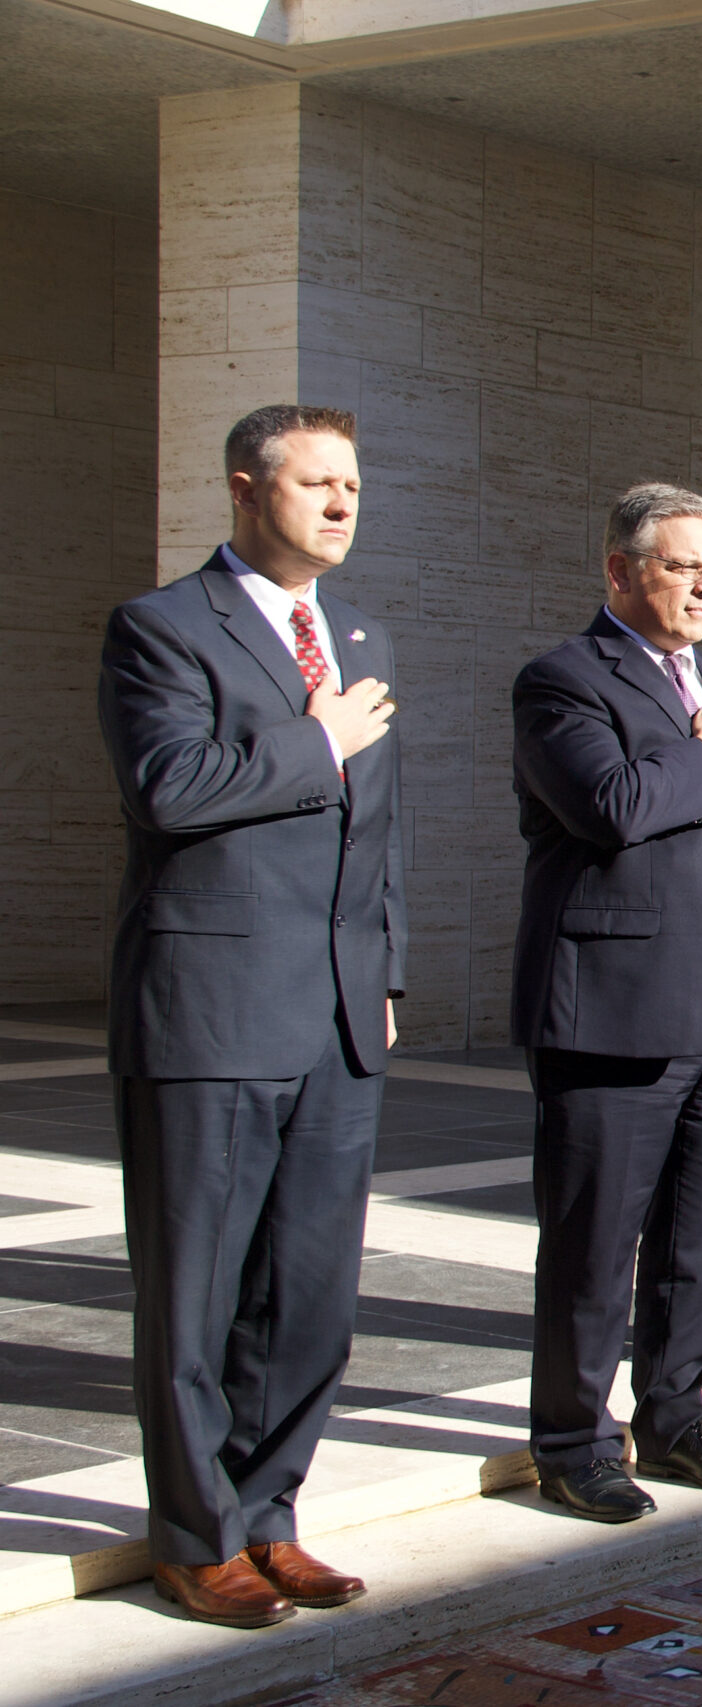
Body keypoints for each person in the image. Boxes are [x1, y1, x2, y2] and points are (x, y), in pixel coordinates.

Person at [95, 405, 403, 1628]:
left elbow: (384, 826)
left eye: (352, 485)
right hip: (211, 1010)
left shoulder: (361, 630)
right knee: (197, 1289)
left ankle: (269, 1515)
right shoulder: (162, 628)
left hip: (335, 1015)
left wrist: (385, 971)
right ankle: (193, 1534)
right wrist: (310, 739)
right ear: (244, 489)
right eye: (316, 482)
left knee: (309, 1291)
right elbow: (168, 788)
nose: (341, 503)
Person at [509, 484, 702, 1523]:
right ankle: (573, 1444)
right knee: (594, 1243)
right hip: (611, 1011)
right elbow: (611, 807)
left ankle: (677, 1418)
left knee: (699, 1238)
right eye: (682, 565)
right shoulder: (560, 681)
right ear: (619, 570)